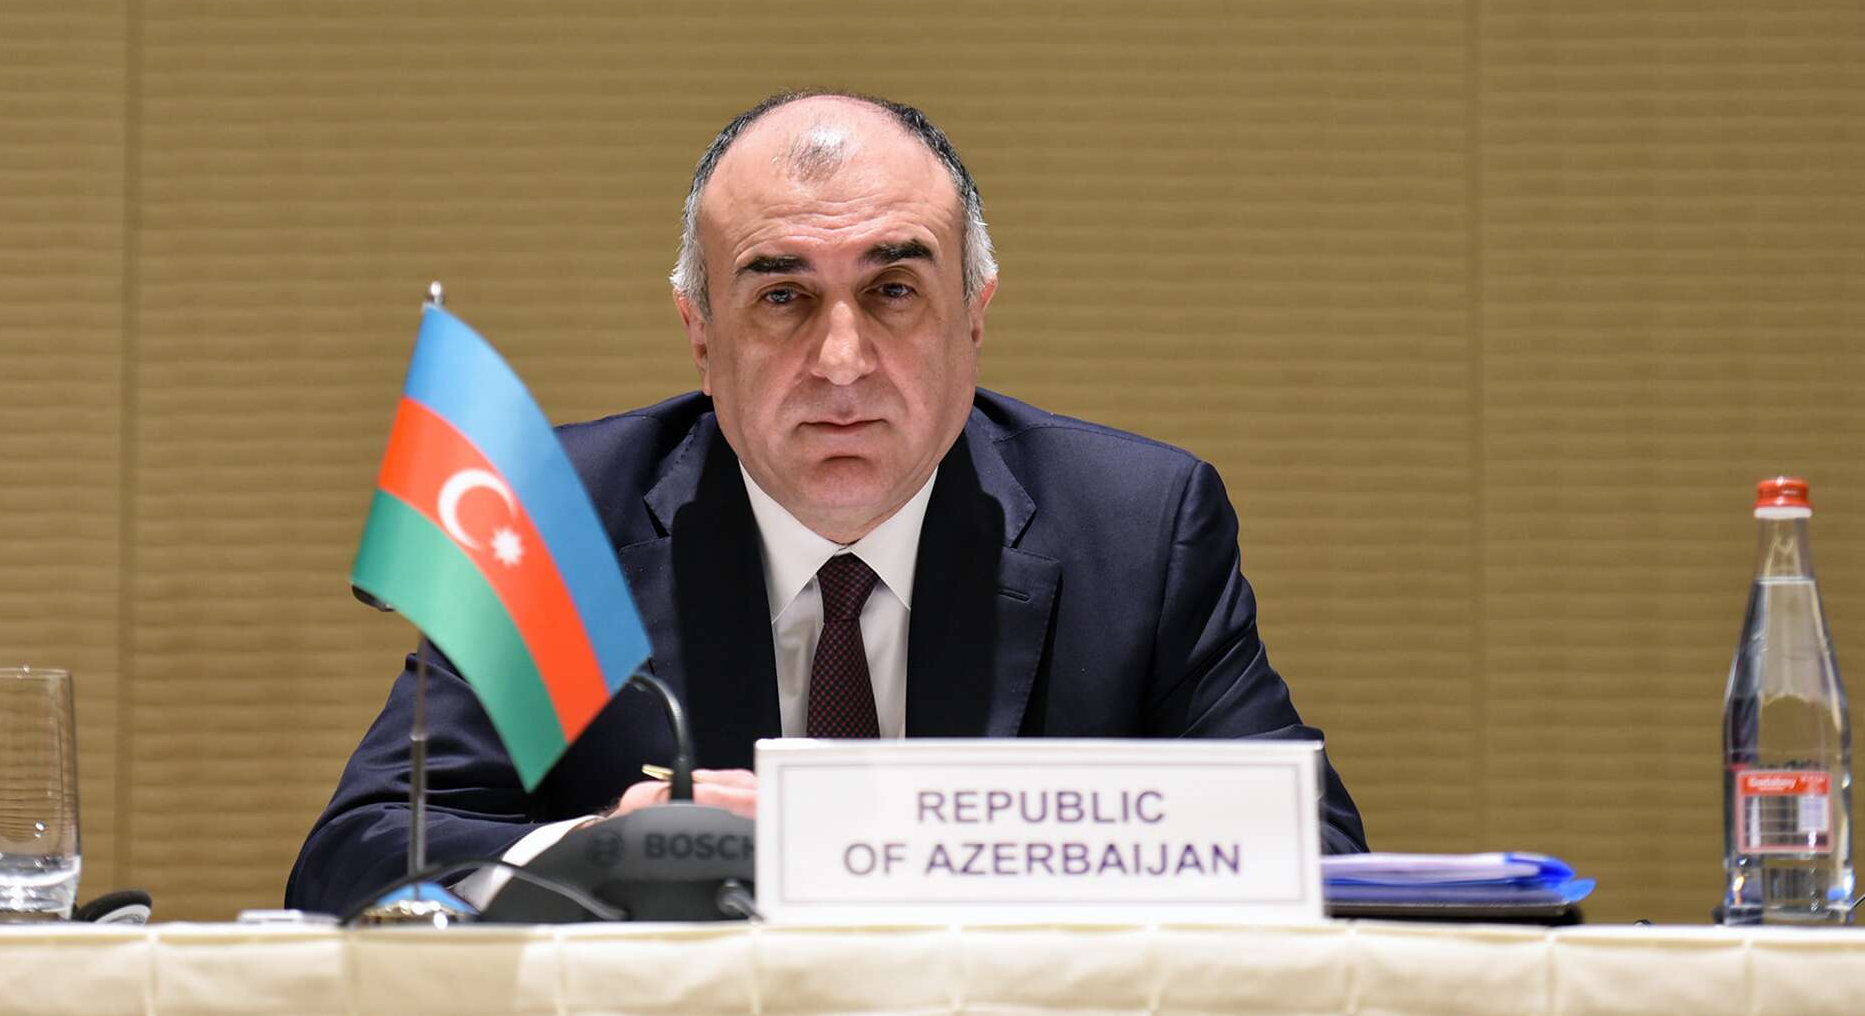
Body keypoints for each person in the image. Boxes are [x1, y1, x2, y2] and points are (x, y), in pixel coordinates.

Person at [285, 91, 1367, 915]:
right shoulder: (557, 523)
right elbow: (360, 858)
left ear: (973, 316)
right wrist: (600, 846)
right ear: (700, 333)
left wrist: (939, 848)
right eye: (781, 296)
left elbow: (1315, 857)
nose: (841, 359)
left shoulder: (1136, 527)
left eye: (893, 291)